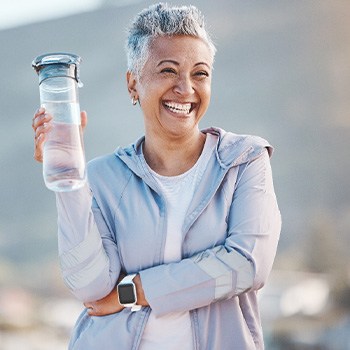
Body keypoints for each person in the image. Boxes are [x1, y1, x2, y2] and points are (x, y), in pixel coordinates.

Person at [32, 3, 281, 350]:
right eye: (168, 70)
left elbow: (247, 264)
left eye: (200, 73)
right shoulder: (102, 176)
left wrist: (132, 291)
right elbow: (89, 287)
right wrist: (68, 176)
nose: (186, 88)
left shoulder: (243, 161)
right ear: (133, 83)